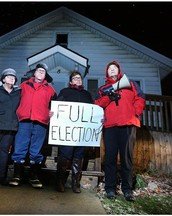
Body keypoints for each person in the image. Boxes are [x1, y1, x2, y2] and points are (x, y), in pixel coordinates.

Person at [94, 60, 145, 201]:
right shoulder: (103, 88)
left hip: (128, 125)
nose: (112, 70)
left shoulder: (131, 84)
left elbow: (140, 98)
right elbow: (97, 104)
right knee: (110, 158)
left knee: (126, 159)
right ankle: (110, 188)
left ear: (119, 71)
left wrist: (136, 112)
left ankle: (127, 189)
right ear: (107, 72)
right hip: (110, 126)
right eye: (109, 68)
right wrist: (108, 98)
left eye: (114, 68)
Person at [9, 63, 57, 188]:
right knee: (20, 147)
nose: (41, 72)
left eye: (43, 72)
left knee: (36, 150)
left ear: (45, 75)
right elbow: (13, 101)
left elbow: (56, 106)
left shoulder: (50, 90)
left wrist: (52, 112)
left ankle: (34, 176)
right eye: (39, 71)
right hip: (24, 120)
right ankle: (17, 175)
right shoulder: (23, 86)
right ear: (34, 73)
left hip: (41, 122)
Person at [55, 71, 94, 193]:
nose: (78, 80)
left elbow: (93, 111)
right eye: (75, 78)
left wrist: (99, 118)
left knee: (78, 156)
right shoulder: (65, 92)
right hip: (67, 132)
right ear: (71, 81)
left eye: (79, 78)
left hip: (81, 132)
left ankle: (75, 183)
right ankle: (60, 182)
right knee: (65, 155)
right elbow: (57, 106)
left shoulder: (87, 95)